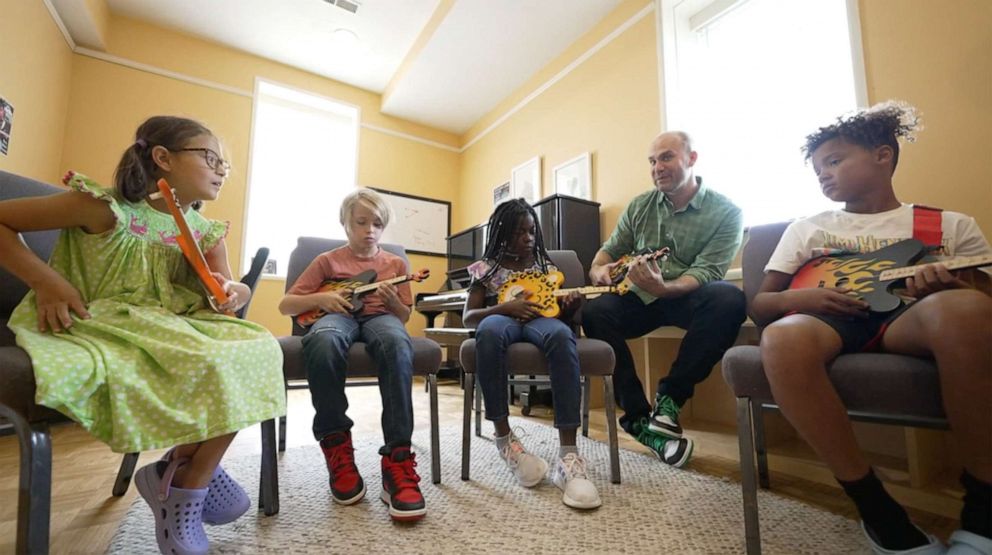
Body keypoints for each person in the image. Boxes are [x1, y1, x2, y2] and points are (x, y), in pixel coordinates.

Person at [0, 116, 285, 555]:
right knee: (211, 357)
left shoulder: (206, 232)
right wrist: (47, 283)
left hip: (174, 322)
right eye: (210, 158)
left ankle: (187, 477)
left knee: (258, 346)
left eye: (224, 164)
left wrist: (234, 291)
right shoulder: (103, 207)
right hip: (106, 319)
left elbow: (223, 290)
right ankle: (185, 477)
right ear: (163, 158)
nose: (222, 170)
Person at [751, 101, 991, 555]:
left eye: (835, 161)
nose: (823, 174)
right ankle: (874, 505)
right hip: (832, 322)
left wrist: (951, 286)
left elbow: (985, 305)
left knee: (963, 311)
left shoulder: (945, 224)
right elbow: (762, 304)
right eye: (818, 168)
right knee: (781, 337)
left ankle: (984, 509)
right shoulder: (809, 228)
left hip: (910, 319)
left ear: (883, 156)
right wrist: (795, 300)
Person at [583, 131, 746, 467]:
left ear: (692, 159)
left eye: (667, 157)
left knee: (729, 300)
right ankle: (639, 419)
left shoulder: (727, 212)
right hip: (639, 297)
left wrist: (665, 288)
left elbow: (706, 272)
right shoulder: (640, 205)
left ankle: (670, 400)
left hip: (686, 295)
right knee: (594, 312)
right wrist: (598, 271)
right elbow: (606, 253)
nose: (657, 167)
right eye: (652, 161)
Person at [277, 188, 426, 522]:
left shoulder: (395, 264)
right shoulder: (326, 261)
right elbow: (287, 304)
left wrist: (393, 303)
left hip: (380, 318)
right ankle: (336, 446)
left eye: (377, 223)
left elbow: (404, 317)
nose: (369, 230)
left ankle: (398, 459)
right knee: (324, 341)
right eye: (361, 222)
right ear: (345, 223)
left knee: (398, 342)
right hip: (336, 316)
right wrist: (321, 300)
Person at [463, 198, 601, 509]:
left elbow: (567, 320)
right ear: (500, 234)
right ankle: (506, 441)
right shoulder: (485, 269)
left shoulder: (545, 267)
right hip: (501, 319)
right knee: (490, 330)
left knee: (562, 336)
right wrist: (504, 307)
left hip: (543, 320)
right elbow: (470, 317)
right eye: (517, 233)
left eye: (530, 231)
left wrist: (572, 307)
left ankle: (568, 456)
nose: (527, 238)